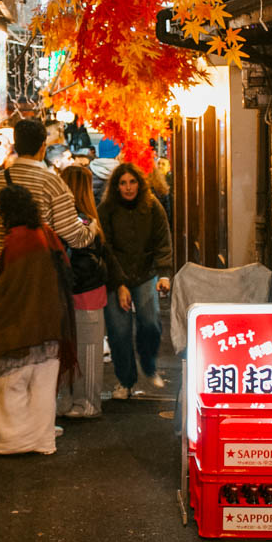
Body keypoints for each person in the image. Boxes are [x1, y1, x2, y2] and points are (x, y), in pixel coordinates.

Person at [0, 185, 76, 456]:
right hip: (52, 321)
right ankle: (43, 439)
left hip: (22, 325)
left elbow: (10, 287)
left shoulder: (15, 240)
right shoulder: (45, 232)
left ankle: (15, 438)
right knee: (43, 386)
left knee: (10, 381)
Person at [98, 162, 172, 399]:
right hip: (114, 276)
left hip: (144, 273)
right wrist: (119, 283)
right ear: (116, 186)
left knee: (150, 323)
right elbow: (105, 248)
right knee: (119, 331)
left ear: (140, 184)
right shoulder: (107, 209)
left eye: (132, 182)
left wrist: (164, 274)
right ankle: (125, 380)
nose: (128, 187)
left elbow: (163, 240)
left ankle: (149, 365)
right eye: (123, 183)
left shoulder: (152, 206)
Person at [0, 117, 95, 263]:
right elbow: (76, 238)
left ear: (16, 145)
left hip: (2, 266)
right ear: (43, 147)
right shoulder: (52, 183)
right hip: (37, 269)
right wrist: (93, 227)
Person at [57, 164, 114, 419]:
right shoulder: (88, 220)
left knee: (75, 351)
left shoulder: (70, 221)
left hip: (72, 294)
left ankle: (78, 402)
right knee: (85, 352)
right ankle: (85, 403)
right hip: (88, 293)